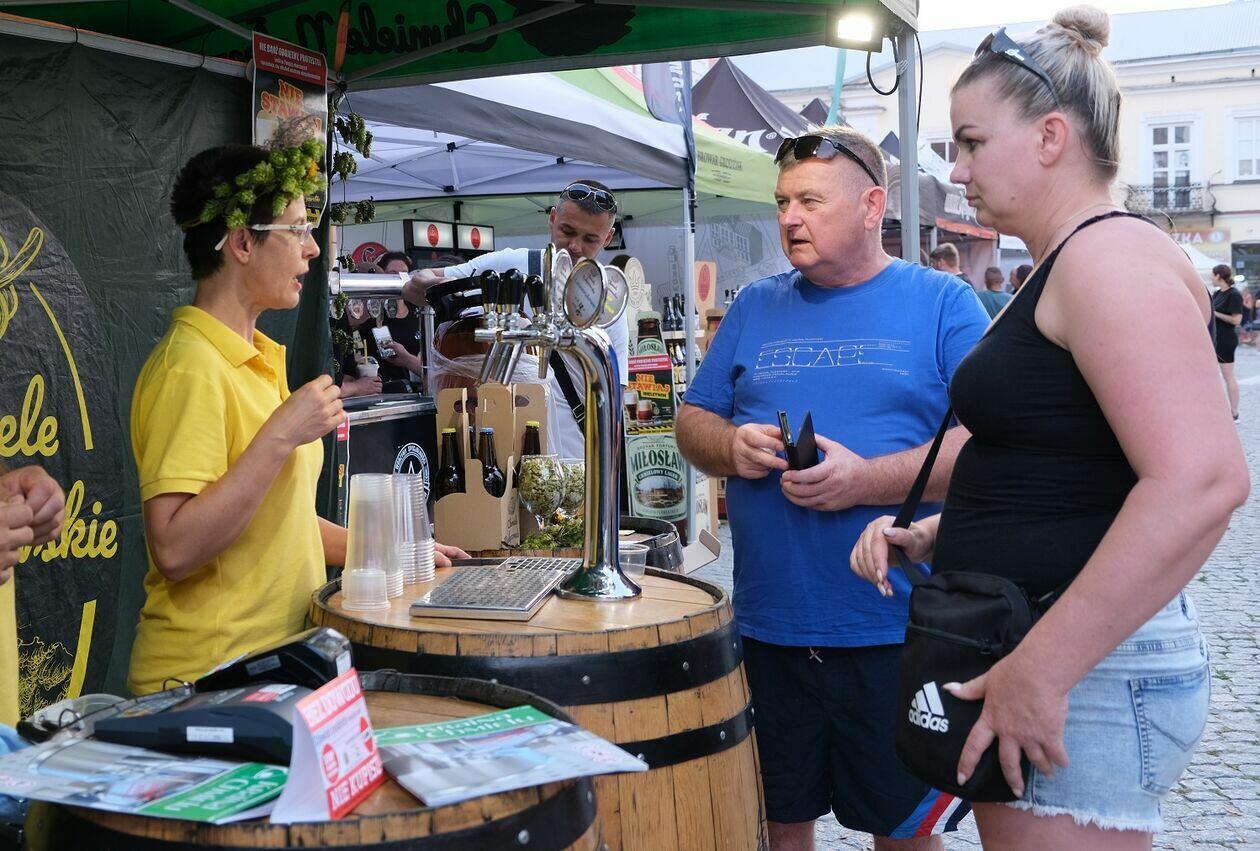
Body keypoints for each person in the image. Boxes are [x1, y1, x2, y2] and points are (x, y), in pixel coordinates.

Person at [850, 8, 1249, 848]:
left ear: (1050, 137)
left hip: (1082, 669)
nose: (958, 170)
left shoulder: (1106, 259)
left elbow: (1203, 481)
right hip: (1058, 652)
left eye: (970, 142)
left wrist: (1043, 666)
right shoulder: (1076, 259)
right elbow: (1071, 458)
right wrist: (942, 531)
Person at [676, 125, 990, 851]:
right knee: (778, 824)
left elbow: (990, 444)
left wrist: (864, 481)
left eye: (810, 201)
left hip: (899, 632)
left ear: (872, 205)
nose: (790, 218)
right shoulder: (754, 306)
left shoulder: (944, 303)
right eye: (783, 201)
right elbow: (692, 422)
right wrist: (731, 445)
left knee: (903, 834)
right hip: (770, 629)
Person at [129, 142, 467, 695]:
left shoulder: (254, 357)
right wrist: (281, 435)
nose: (312, 249)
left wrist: (391, 550)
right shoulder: (189, 367)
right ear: (243, 242)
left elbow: (279, 523)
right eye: (297, 229)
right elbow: (175, 548)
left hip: (277, 667)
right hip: (208, 681)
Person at [402, 180, 630, 459]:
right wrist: (445, 289)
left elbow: (614, 396)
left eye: (590, 239)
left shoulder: (607, 300)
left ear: (607, 238)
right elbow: (417, 286)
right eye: (567, 231)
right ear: (552, 219)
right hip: (505, 455)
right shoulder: (513, 265)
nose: (575, 246)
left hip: (575, 461)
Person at [1210, 264, 1243, 419]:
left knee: (1228, 375)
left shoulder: (1234, 295)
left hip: (1226, 339)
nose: (1211, 278)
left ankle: (1234, 412)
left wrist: (1215, 313)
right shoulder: (1217, 294)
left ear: (1218, 276)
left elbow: (1236, 320)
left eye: (1212, 275)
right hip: (1215, 338)